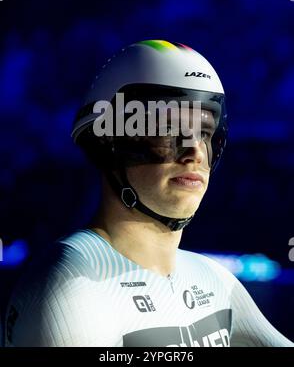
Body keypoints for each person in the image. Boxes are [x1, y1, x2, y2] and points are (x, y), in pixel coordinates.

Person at [4, 40, 293, 347]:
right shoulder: (71, 285)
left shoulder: (213, 280)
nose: (195, 151)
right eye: (170, 129)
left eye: (205, 133)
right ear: (110, 145)